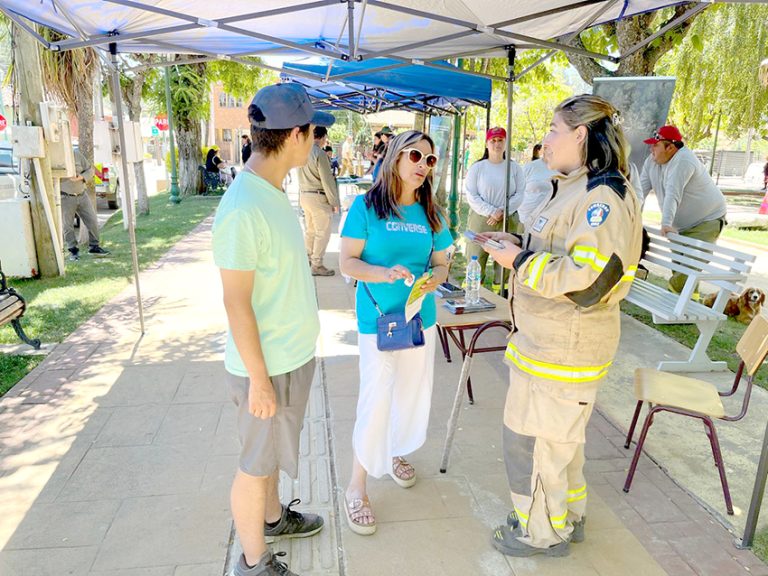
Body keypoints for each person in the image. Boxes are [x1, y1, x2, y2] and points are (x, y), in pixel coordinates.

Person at [479, 95, 642, 558]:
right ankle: (569, 516)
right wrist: (518, 245)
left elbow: (590, 282)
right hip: (549, 344)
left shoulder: (601, 197)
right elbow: (564, 250)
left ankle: (539, 532)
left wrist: (521, 262)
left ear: (580, 135)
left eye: (553, 130)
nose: (545, 140)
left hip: (562, 350)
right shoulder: (577, 187)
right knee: (560, 443)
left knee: (533, 444)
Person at [212, 82, 335, 576]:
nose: (316, 142)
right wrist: (260, 380)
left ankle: (273, 518)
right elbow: (235, 302)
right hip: (265, 367)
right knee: (254, 463)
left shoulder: (271, 190)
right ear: (296, 135)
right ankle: (253, 561)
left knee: (271, 456)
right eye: (313, 133)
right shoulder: (243, 206)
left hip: (288, 356)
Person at [339, 130, 453, 536]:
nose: (423, 164)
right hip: (377, 321)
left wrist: (431, 280)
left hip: (419, 319)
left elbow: (443, 265)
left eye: (431, 159)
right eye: (416, 155)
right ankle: (356, 485)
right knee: (376, 397)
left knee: (410, 394)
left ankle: (394, 454)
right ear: (395, 158)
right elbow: (348, 263)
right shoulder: (366, 207)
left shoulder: (432, 212)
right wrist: (383, 273)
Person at [642, 125, 727, 294]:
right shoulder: (651, 162)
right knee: (680, 269)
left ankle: (674, 307)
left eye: (656, 145)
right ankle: (686, 308)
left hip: (706, 221)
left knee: (684, 274)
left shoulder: (684, 160)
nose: (651, 148)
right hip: (679, 225)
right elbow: (639, 193)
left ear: (670, 147)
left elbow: (673, 192)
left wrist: (665, 223)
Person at [463, 127, 526, 284]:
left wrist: (503, 211)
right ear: (487, 143)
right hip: (482, 219)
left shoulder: (515, 168)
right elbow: (472, 195)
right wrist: (492, 212)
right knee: (476, 257)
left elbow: (520, 193)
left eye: (500, 140)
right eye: (493, 140)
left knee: (505, 262)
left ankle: (501, 296)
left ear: (505, 143)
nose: (497, 144)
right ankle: (474, 292)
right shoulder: (477, 168)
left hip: (508, 219)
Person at [297, 126, 340, 277]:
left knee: (310, 230)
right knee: (322, 232)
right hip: (318, 196)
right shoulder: (319, 154)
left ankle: (307, 258)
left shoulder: (301, 151)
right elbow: (327, 180)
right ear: (322, 138)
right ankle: (317, 264)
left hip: (304, 195)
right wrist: (334, 202)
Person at [61, 147, 110, 262]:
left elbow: (90, 170)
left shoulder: (76, 154)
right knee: (67, 226)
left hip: (82, 195)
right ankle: (73, 250)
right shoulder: (56, 158)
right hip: (65, 196)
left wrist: (81, 177)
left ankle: (94, 247)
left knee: (92, 220)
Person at [518, 143, 557, 230]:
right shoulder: (530, 167)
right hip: (526, 220)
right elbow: (515, 191)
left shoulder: (563, 169)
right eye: (547, 147)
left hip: (550, 222)